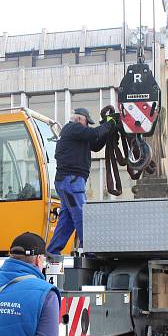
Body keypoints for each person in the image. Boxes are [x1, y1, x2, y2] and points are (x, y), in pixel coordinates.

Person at [46, 107, 115, 255]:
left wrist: (108, 130)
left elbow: (96, 144)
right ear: (78, 119)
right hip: (71, 182)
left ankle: (52, 252)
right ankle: (91, 251)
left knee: (67, 220)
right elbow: (95, 133)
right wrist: (110, 122)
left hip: (68, 182)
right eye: (86, 122)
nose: (87, 126)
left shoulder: (77, 135)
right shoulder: (72, 128)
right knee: (82, 215)